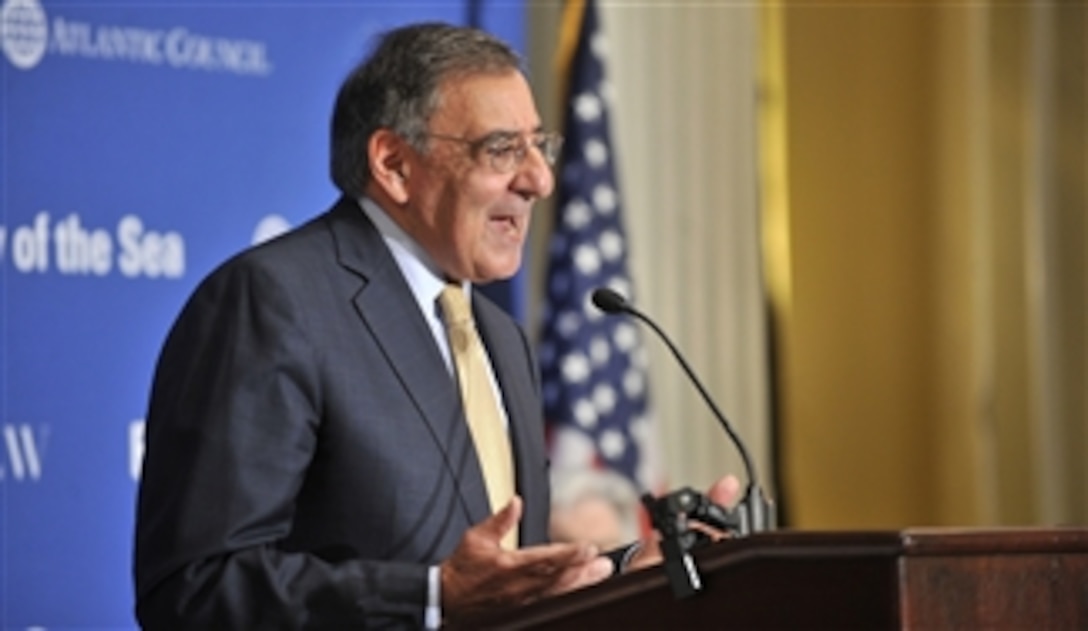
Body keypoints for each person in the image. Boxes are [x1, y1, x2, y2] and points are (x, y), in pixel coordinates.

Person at [133, 21, 735, 629]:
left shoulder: (499, 337)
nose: (539, 180)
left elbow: (506, 581)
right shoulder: (272, 302)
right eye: (501, 150)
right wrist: (429, 598)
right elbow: (193, 590)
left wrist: (627, 571)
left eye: (539, 146)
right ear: (394, 163)